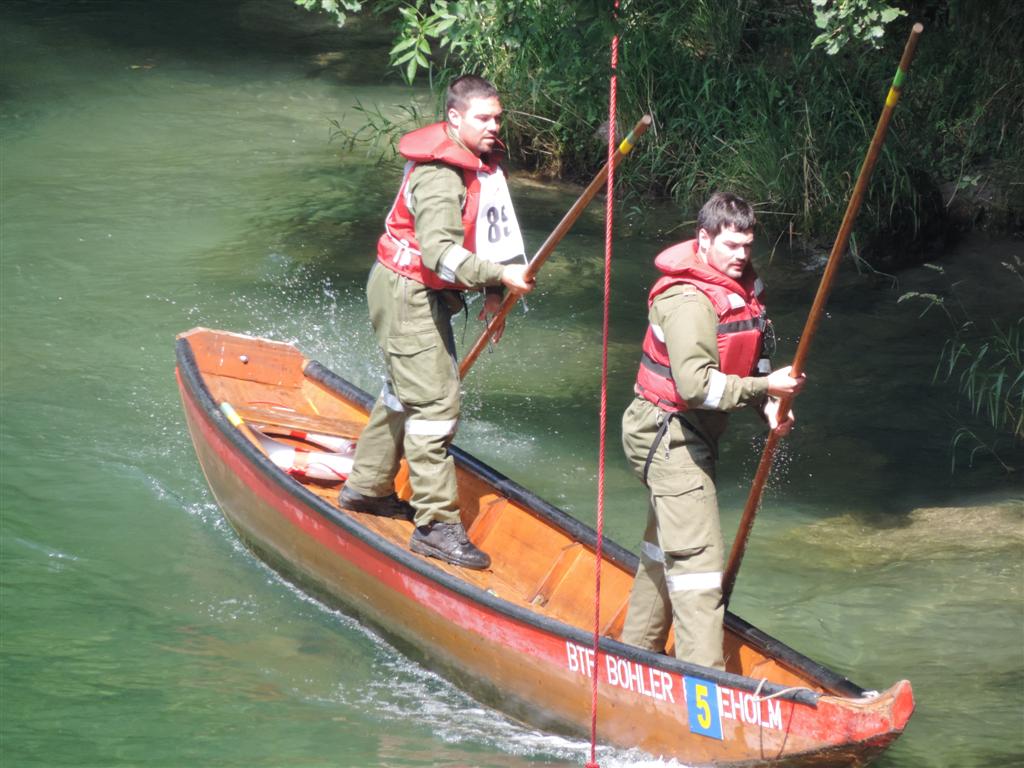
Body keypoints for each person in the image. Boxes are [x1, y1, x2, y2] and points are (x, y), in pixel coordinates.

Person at [339, 75, 534, 570]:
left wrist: (493, 293)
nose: (494, 127)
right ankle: (436, 527)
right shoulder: (438, 175)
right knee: (436, 406)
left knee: (404, 393)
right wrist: (500, 275)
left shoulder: (482, 164)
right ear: (454, 118)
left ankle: (366, 488)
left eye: (497, 117)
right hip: (407, 292)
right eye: (483, 119)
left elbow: (491, 229)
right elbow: (442, 256)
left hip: (424, 293)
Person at [619, 192, 806, 669]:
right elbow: (696, 385)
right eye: (730, 246)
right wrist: (766, 384)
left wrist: (768, 402)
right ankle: (707, 685)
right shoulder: (688, 300)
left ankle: (634, 654)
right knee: (699, 568)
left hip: (692, 434)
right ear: (703, 239)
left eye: (747, 245)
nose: (741, 256)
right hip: (667, 434)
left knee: (664, 550)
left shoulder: (741, 288)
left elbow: (752, 351)